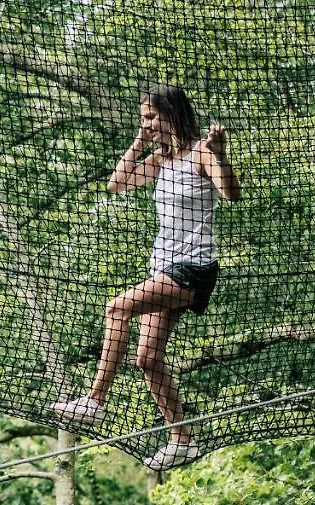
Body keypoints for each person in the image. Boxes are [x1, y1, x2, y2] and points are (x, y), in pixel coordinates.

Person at [51, 84, 241, 471]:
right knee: (147, 359)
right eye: (144, 118)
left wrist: (220, 156)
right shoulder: (160, 159)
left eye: (152, 117)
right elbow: (116, 183)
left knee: (117, 309)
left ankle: (95, 401)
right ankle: (182, 439)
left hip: (193, 268)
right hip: (163, 266)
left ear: (171, 114)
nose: (147, 124)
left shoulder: (201, 153)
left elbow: (231, 194)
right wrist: (140, 139)